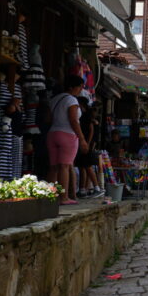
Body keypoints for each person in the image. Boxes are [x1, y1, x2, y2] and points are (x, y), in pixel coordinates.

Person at [47, 75, 88, 205]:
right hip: (67, 135)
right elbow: (73, 120)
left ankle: (49, 195)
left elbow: (48, 118)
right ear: (72, 87)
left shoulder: (54, 99)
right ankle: (63, 197)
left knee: (54, 167)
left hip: (52, 133)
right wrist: (82, 139)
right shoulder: (72, 100)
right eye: (80, 87)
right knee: (64, 166)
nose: (81, 89)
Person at [75, 101, 102, 198]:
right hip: (85, 144)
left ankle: (96, 188)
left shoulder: (87, 118)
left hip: (86, 145)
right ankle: (82, 189)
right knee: (83, 166)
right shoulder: (85, 117)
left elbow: (91, 131)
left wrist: (87, 143)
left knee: (87, 166)